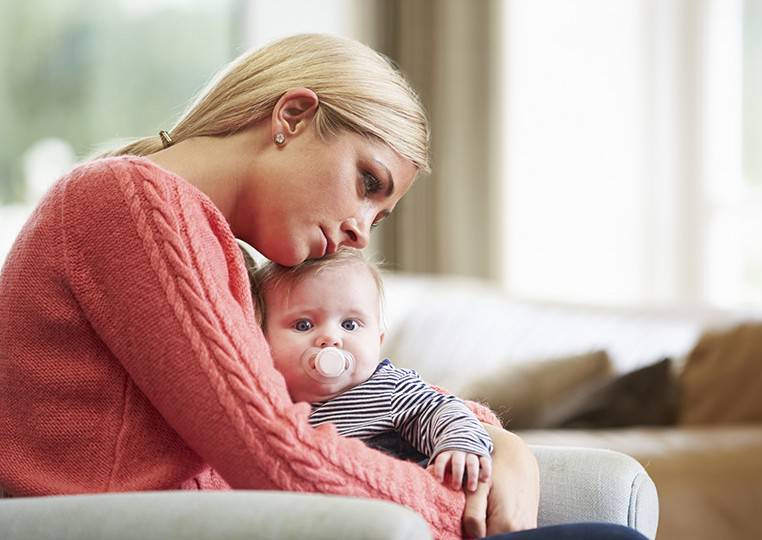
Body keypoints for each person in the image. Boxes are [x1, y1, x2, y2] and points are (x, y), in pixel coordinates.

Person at [0, 33, 647, 539]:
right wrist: (457, 506)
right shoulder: (128, 201)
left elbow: (333, 393)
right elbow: (274, 450)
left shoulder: (201, 241)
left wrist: (491, 440)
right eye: (368, 182)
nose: (362, 233)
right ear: (293, 115)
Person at [252, 248, 491, 492]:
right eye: (303, 325)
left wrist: (458, 445)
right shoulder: (269, 403)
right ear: (262, 338)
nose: (331, 338)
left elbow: (442, 409)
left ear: (378, 341)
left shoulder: (390, 388)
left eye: (349, 324)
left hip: (404, 508)